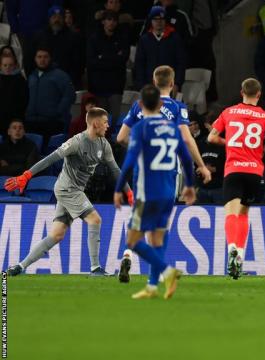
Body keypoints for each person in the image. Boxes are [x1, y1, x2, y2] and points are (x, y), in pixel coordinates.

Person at [5, 107, 133, 277]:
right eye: (105, 122)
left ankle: (20, 267)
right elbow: (51, 158)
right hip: (67, 189)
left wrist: (129, 193)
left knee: (56, 235)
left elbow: (116, 170)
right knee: (95, 219)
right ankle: (95, 269)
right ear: (95, 124)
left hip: (74, 190)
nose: (108, 125)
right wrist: (27, 175)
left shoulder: (104, 144)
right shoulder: (76, 142)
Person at [114, 84, 195, 300]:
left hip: (146, 191)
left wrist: (118, 188)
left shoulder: (140, 128)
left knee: (133, 241)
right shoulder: (172, 127)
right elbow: (186, 159)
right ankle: (151, 286)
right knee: (157, 239)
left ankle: (168, 272)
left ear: (140, 104)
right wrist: (189, 185)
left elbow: (129, 161)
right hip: (168, 191)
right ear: (160, 104)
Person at [208, 78, 265, 279]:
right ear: (259, 95)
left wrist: (230, 142)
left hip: (233, 170)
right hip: (254, 172)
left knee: (231, 214)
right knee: (243, 214)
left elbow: (211, 138)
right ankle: (239, 257)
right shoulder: (264, 115)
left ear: (242, 92)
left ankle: (232, 248)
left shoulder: (228, 112)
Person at [116, 65, 211, 184]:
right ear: (172, 83)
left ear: (154, 82)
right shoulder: (178, 107)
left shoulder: (138, 105)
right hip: (167, 168)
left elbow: (121, 138)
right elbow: (187, 139)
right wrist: (201, 165)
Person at [25, 47, 75, 144]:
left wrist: (58, 111)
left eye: (45, 57)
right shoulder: (31, 76)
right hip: (31, 122)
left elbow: (69, 95)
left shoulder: (60, 76)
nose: (42, 60)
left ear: (50, 58)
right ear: (35, 59)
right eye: (39, 57)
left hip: (51, 122)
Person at [86, 10, 130, 121]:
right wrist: (114, 57)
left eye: (114, 20)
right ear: (103, 22)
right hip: (98, 87)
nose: (111, 22)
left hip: (116, 87)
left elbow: (122, 60)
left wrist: (102, 57)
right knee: (100, 121)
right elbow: (92, 62)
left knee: (115, 120)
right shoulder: (94, 39)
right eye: (109, 19)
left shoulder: (122, 38)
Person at [134, 6, 187, 91]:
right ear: (151, 21)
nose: (158, 22)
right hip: (149, 86)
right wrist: (141, 85)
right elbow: (139, 64)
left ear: (165, 21)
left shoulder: (175, 38)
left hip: (169, 85)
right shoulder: (144, 40)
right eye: (155, 19)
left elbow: (181, 62)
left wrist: (177, 83)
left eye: (161, 19)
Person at [0, 54, 28, 134]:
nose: (7, 67)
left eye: (10, 65)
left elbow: (24, 101)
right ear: (1, 66)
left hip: (15, 120)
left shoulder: (20, 80)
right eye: (5, 65)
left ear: (15, 66)